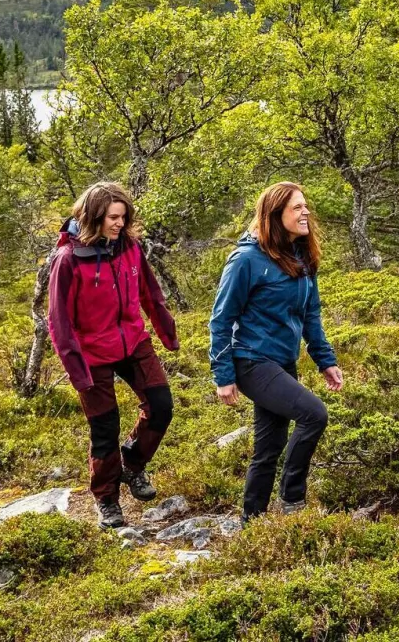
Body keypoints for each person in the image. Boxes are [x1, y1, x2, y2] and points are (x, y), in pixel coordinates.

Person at [47, 181, 180, 530]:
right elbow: (59, 322)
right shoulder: (68, 260)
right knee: (104, 429)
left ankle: (132, 465)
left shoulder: (130, 247)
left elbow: (150, 292)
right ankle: (106, 498)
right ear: (93, 217)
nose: (120, 224)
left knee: (161, 405)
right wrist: (78, 371)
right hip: (91, 353)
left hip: (133, 341)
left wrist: (166, 332)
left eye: (123, 217)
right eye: (112, 218)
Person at [209, 182, 343, 523]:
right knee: (315, 414)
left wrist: (325, 360)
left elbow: (310, 313)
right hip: (251, 361)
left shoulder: (301, 256)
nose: (306, 213)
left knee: (268, 447)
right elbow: (222, 320)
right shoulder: (246, 260)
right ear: (275, 215)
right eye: (296, 208)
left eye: (305, 206)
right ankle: (293, 498)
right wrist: (223, 376)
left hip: (283, 361)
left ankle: (251, 521)